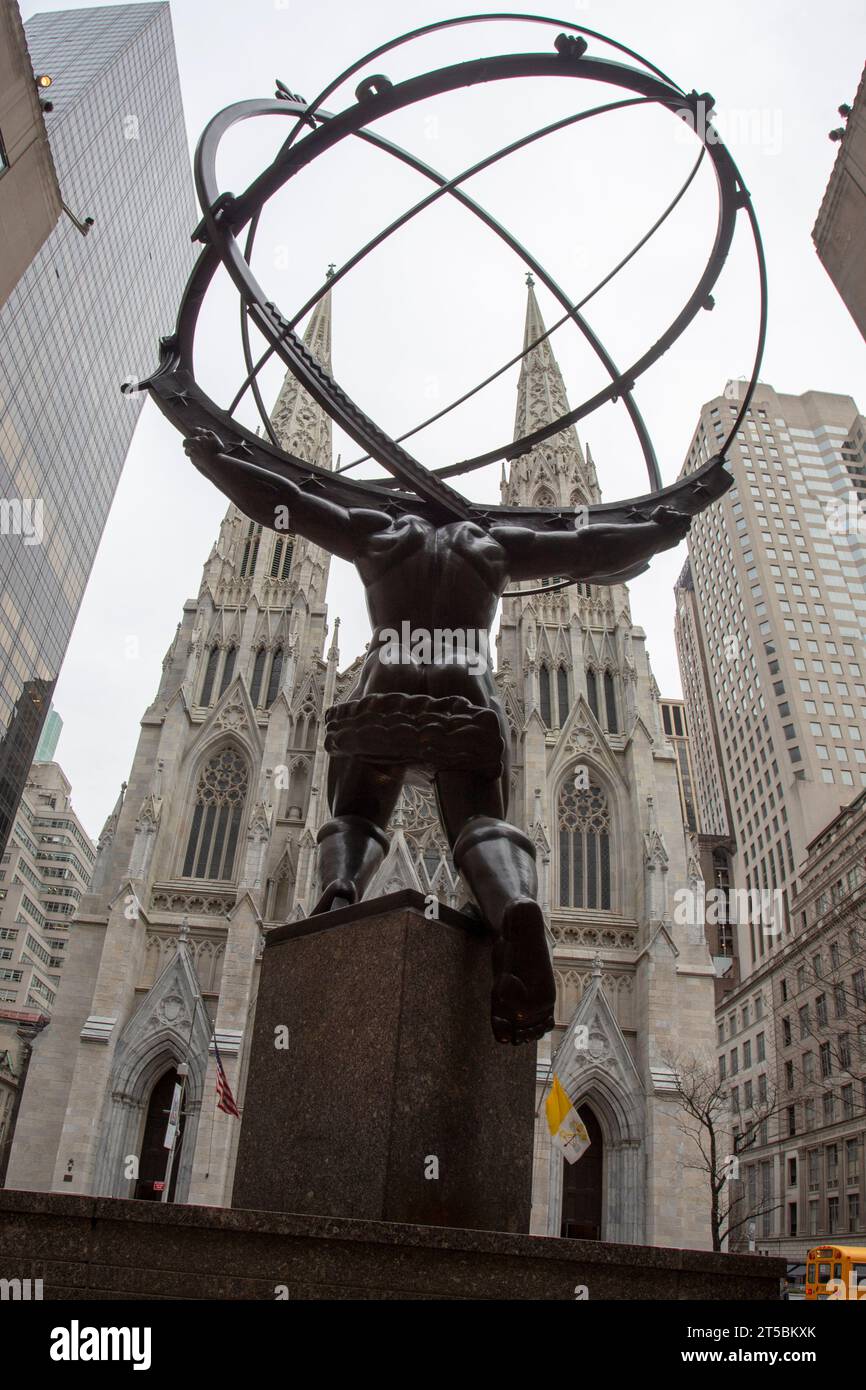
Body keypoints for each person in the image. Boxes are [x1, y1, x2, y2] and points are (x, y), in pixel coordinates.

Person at [184, 427, 690, 1043]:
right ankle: (512, 908)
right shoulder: (488, 542)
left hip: (385, 688)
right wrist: (666, 525)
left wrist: (214, 459)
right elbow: (587, 545)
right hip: (465, 693)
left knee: (359, 817)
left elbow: (282, 503)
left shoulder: (376, 530)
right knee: (482, 824)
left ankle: (341, 890)